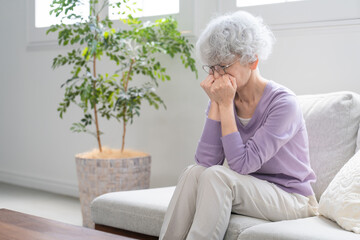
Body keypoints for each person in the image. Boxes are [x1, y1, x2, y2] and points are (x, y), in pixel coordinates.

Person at [159, 11, 319, 240]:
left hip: (293, 199)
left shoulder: (284, 104)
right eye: (212, 67)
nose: (217, 75)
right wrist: (217, 102)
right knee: (193, 173)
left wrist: (223, 105)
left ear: (252, 60)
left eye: (224, 66)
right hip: (250, 188)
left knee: (218, 177)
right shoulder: (225, 97)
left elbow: (242, 164)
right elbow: (205, 162)